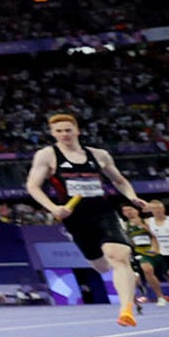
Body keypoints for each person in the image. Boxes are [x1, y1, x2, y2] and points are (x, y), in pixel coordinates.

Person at [25, 113, 145, 325]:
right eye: (59, 131)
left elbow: (119, 180)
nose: (64, 134)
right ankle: (129, 279)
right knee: (101, 266)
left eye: (68, 130)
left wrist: (132, 196)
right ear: (53, 134)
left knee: (117, 255)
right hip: (75, 218)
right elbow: (33, 186)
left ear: (77, 131)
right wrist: (53, 207)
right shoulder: (47, 155)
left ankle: (126, 310)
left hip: (102, 212)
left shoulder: (99, 155)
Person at [121, 203, 166, 306]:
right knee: (147, 270)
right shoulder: (124, 225)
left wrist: (142, 226)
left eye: (130, 209)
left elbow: (156, 234)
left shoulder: (148, 221)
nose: (128, 212)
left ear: (137, 211)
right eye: (125, 210)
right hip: (140, 253)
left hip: (158, 250)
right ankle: (160, 297)